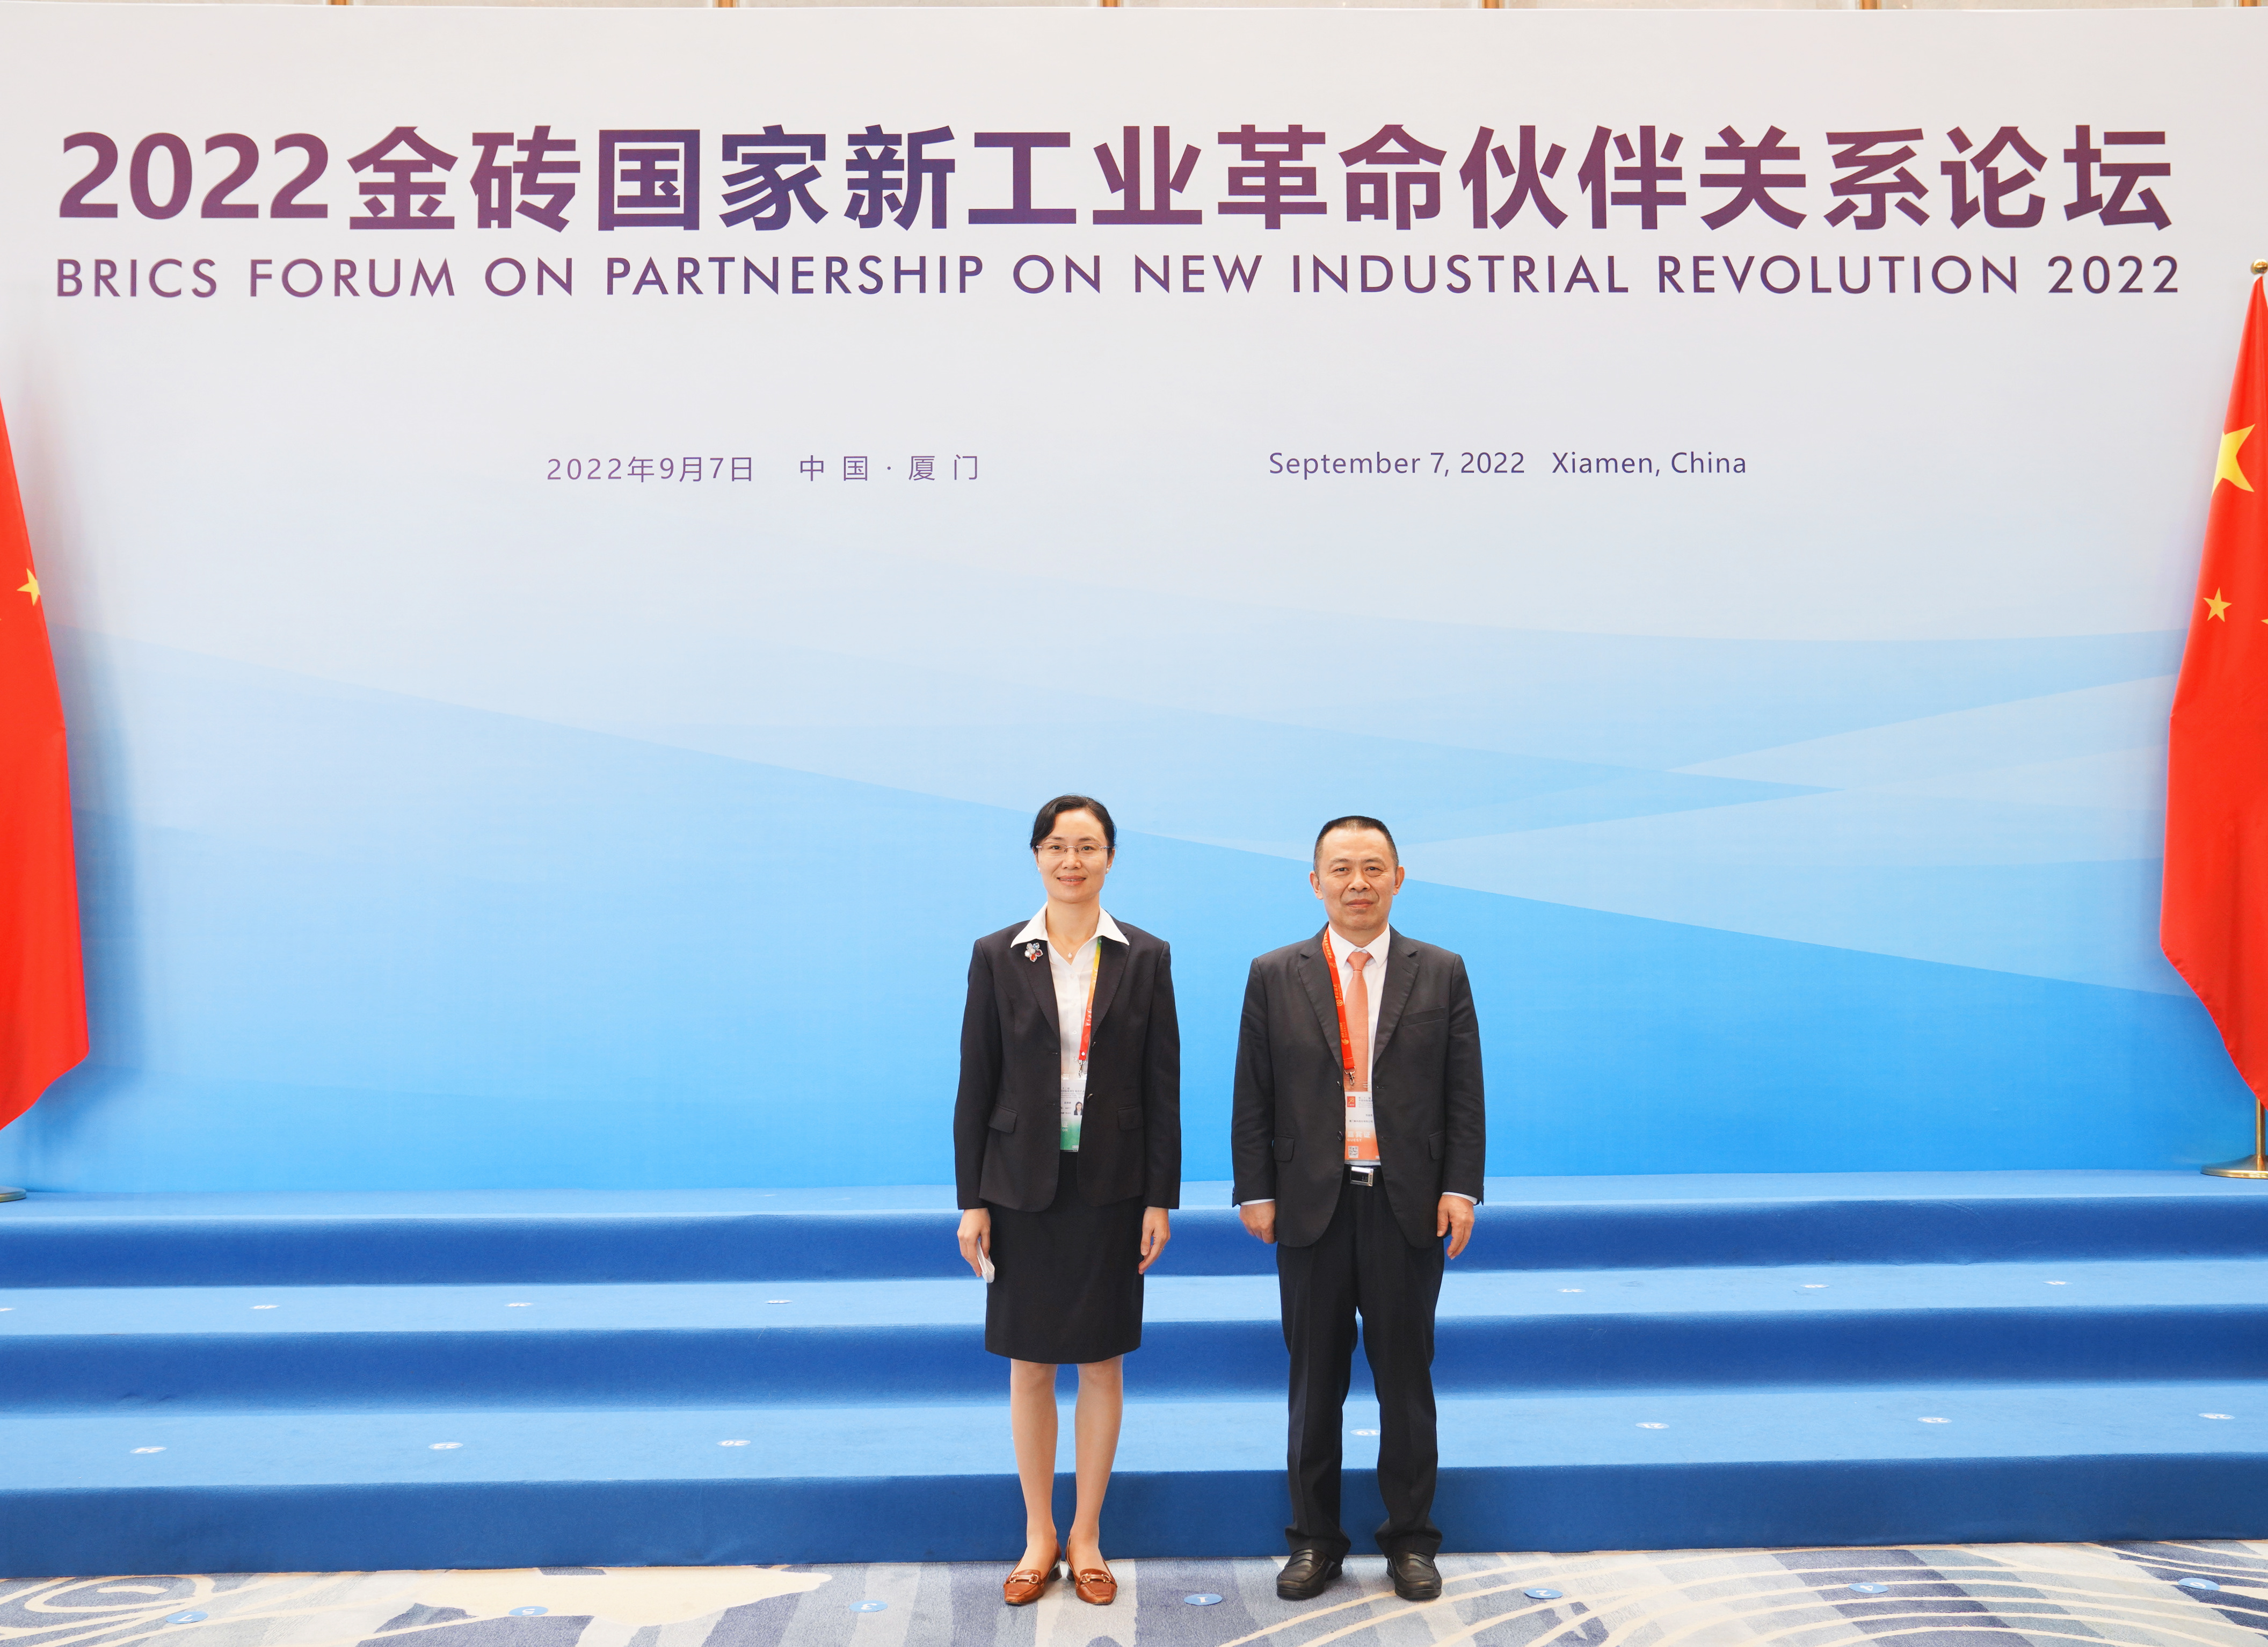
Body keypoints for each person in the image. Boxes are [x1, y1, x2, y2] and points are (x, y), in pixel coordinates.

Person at [1231, 816, 1485, 1603]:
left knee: (1406, 1380)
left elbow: (1464, 1092)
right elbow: (1253, 1093)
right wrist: (1255, 1189)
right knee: (1314, 1384)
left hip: (1407, 1204)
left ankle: (1410, 1540)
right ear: (1316, 883)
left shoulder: (1440, 971)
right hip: (1310, 1206)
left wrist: (1460, 1186)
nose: (1358, 883)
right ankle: (1315, 1540)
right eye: (1341, 868)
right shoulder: (1275, 973)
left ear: (1398, 878)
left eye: (1373, 867)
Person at [954, 795, 1180, 1608]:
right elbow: (975, 1082)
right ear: (1037, 856)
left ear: (1110, 858)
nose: (1071, 861)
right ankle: (1038, 1535)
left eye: (1087, 846)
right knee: (1030, 1364)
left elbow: (1162, 1085)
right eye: (1056, 846)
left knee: (1102, 1362)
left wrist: (1160, 1198)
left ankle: (1086, 1536)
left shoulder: (1144, 956)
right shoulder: (997, 954)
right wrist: (973, 1200)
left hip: (1112, 1187)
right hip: (1020, 1188)